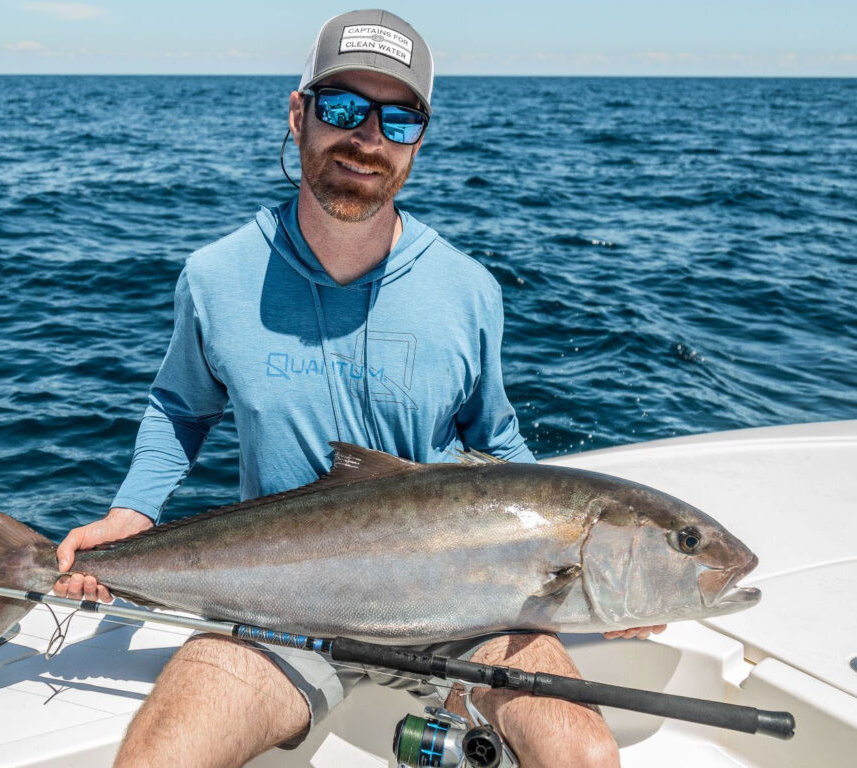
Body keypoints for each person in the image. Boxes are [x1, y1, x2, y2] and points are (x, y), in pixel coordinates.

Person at [54, 10, 661, 768]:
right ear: (299, 113)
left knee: (586, 755)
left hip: (467, 614)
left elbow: (499, 447)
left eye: (399, 119)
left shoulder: (468, 290)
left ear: (419, 138)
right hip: (282, 614)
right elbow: (180, 408)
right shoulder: (216, 277)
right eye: (343, 108)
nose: (366, 139)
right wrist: (130, 512)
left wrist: (613, 584)